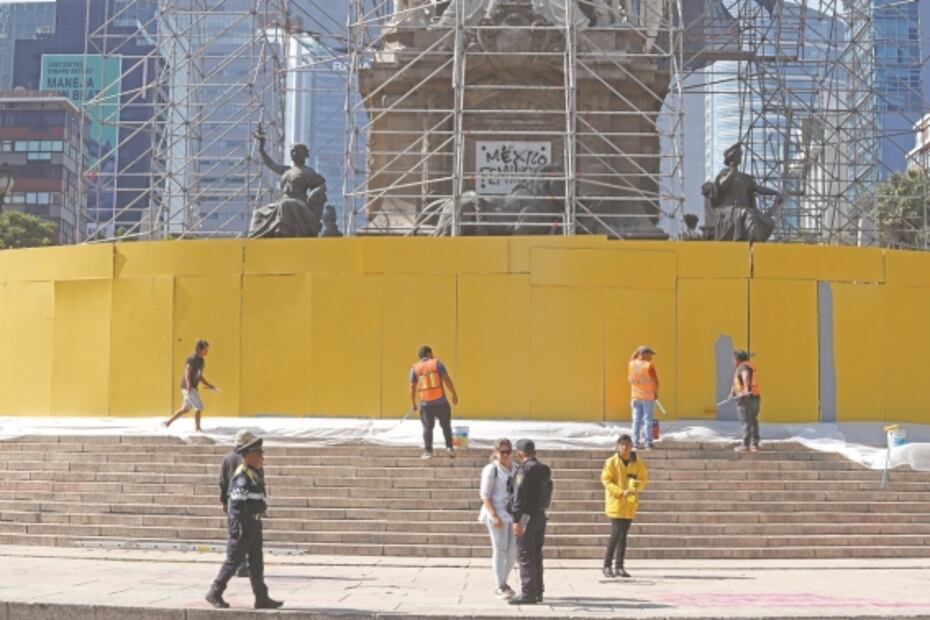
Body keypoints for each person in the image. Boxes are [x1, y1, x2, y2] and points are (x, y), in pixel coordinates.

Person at [206, 437, 283, 610]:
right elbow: (236, 505)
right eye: (258, 455)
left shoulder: (253, 474)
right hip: (244, 525)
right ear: (248, 456)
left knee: (256, 561)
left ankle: (261, 597)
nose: (262, 459)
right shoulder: (242, 476)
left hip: (254, 524)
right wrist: (238, 527)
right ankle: (215, 592)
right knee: (233, 560)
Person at [508, 439, 552, 606]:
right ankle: (538, 591)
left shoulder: (523, 470)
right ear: (535, 451)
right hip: (540, 515)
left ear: (520, 454)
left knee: (525, 554)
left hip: (526, 517)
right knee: (536, 555)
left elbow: (519, 497)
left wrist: (516, 519)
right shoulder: (544, 469)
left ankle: (528, 593)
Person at [600, 434, 649, 578]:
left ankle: (619, 566)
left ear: (631, 446)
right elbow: (606, 481)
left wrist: (635, 488)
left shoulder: (638, 463)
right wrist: (620, 492)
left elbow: (643, 478)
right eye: (622, 445)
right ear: (617, 446)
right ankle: (607, 565)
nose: (625, 448)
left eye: (627, 445)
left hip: (630, 503)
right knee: (616, 534)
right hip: (616, 502)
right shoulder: (611, 462)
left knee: (623, 536)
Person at [479, 438, 518, 599]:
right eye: (502, 452)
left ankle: (504, 581)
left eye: (508, 452)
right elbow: (485, 495)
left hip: (513, 514)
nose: (505, 455)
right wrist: (494, 515)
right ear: (495, 453)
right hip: (496, 513)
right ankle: (500, 584)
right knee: (500, 549)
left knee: (513, 551)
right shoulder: (491, 469)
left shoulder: (516, 468)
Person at [409, 345, 459, 459]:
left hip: (426, 405)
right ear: (429, 354)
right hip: (441, 402)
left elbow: (412, 386)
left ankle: (428, 452)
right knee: (446, 425)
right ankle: (449, 448)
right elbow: (446, 379)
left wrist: (413, 403)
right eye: (432, 353)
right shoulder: (437, 363)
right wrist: (454, 393)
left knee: (427, 428)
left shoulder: (415, 368)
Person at [219, 430, 256, 579]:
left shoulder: (228, 458)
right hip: (246, 500)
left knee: (234, 532)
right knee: (246, 532)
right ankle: (241, 565)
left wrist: (223, 500)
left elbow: (222, 481)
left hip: (231, 500)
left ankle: (234, 563)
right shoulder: (247, 458)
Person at [163, 340, 217, 431]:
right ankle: (197, 428)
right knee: (199, 407)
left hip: (192, 387)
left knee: (185, 409)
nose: (207, 351)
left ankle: (167, 423)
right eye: (205, 349)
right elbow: (187, 370)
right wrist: (188, 383)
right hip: (189, 387)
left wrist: (208, 385)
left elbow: (199, 376)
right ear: (200, 349)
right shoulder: (192, 359)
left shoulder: (201, 361)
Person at [628, 346, 659, 450]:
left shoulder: (632, 363)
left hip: (635, 397)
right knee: (647, 420)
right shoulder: (649, 366)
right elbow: (655, 382)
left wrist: (638, 350)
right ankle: (648, 443)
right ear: (645, 354)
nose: (651, 357)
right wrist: (655, 393)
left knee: (636, 420)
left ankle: (635, 443)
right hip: (647, 397)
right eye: (650, 354)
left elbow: (632, 357)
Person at [730, 350, 761, 452]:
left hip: (745, 399)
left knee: (745, 421)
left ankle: (745, 445)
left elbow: (745, 375)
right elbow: (736, 382)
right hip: (755, 397)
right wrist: (731, 393)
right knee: (753, 421)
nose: (732, 361)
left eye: (733, 359)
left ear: (738, 359)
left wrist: (746, 389)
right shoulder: (749, 365)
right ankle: (754, 444)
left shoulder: (742, 367)